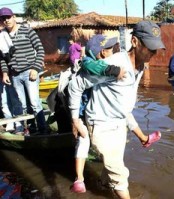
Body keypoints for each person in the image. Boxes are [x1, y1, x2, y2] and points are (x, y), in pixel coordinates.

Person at [68, 20, 165, 199]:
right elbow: (75, 85)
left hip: (119, 124)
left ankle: (102, 186)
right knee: (119, 174)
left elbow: (121, 101)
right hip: (101, 124)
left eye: (156, 48)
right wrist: (75, 120)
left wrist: (135, 129)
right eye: (150, 47)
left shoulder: (141, 65)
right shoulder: (113, 66)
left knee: (113, 165)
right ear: (135, 42)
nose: (154, 52)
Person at [0, 7, 49, 135]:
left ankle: (43, 130)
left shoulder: (27, 30)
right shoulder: (2, 36)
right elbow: (3, 59)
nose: (6, 20)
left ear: (14, 17)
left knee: (35, 103)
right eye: (3, 18)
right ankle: (30, 129)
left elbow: (40, 49)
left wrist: (35, 68)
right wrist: (5, 73)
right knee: (21, 105)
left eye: (8, 17)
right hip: (15, 75)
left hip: (30, 72)